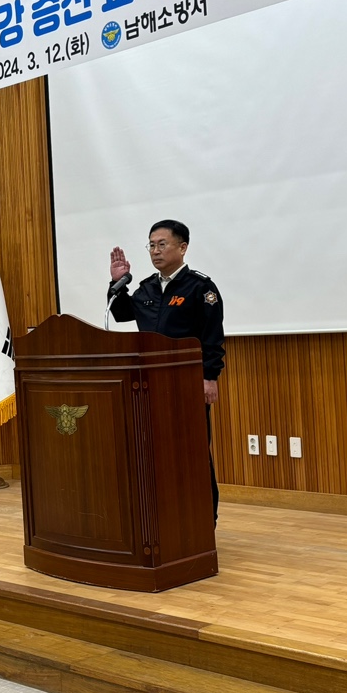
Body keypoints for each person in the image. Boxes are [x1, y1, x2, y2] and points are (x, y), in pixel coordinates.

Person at [107, 219, 225, 519]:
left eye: (162, 244)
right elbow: (120, 314)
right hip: (149, 383)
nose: (155, 251)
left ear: (182, 248)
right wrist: (117, 284)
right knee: (155, 451)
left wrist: (209, 377)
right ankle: (165, 516)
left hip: (187, 383)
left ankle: (203, 519)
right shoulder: (146, 287)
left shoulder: (200, 287)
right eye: (151, 245)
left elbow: (212, 337)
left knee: (192, 450)